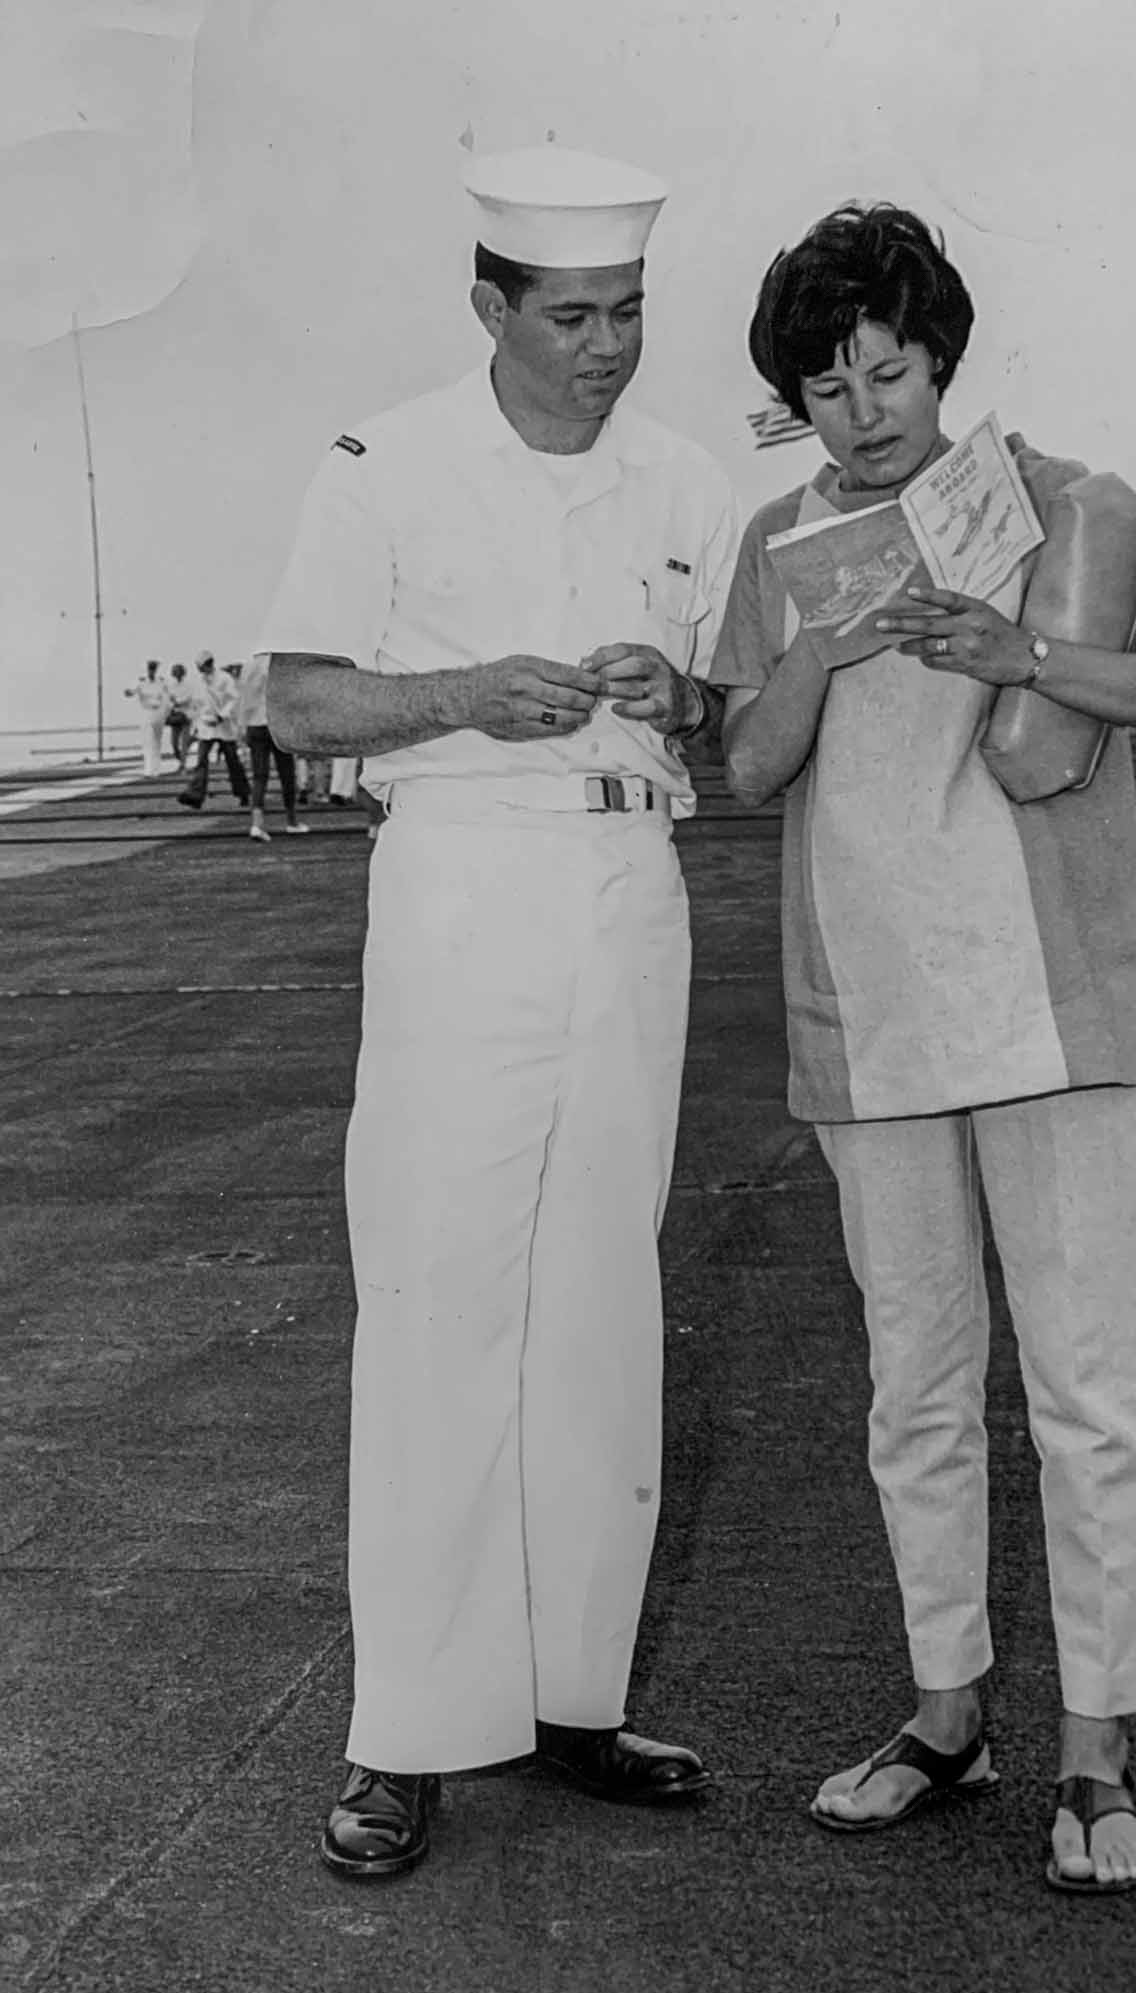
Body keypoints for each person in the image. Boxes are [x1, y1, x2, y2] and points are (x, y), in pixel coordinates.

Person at [714, 202, 1136, 1895]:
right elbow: (748, 766)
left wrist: (1026, 652)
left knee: (1091, 1387)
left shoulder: (1057, 503)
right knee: (915, 1389)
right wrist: (819, 647)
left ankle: (1097, 1744)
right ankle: (949, 1711)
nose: (865, 407)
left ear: (941, 359)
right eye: (829, 380)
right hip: (872, 1024)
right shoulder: (776, 535)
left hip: (1058, 1011)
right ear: (798, 394)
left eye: (889, 368)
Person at [258, 142, 739, 1879]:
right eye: (572, 316)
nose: (606, 347)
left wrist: (669, 688)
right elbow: (299, 697)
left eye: (627, 314)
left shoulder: (687, 478)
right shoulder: (385, 459)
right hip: (462, 883)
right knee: (442, 1295)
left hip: (631, 892)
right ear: (490, 305)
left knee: (604, 1292)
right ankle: (405, 1733)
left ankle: (570, 1694)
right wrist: (470, 690)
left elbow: (733, 703)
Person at [237, 652, 309, 840]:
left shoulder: (248, 666)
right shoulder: (281, 666)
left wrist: (242, 727)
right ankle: (291, 821)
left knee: (259, 775)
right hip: (278, 724)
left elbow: (242, 699)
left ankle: (257, 824)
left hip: (254, 725)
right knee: (287, 773)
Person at [177, 650, 251, 810]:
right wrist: (196, 724)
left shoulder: (224, 679)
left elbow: (234, 699)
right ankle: (196, 796)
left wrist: (222, 715)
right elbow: (197, 704)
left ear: (209, 664)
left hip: (224, 726)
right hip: (206, 726)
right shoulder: (200, 682)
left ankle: (243, 793)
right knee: (201, 761)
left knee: (233, 762)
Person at [125, 659, 171, 774]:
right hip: (146, 712)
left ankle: (156, 769)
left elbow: (167, 695)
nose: (152, 671)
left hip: (158, 712)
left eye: (153, 669)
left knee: (157, 741)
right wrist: (128, 692)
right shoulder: (141, 681)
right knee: (148, 741)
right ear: (147, 669)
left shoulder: (161, 682)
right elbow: (132, 691)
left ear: (156, 670)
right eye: (150, 668)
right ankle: (149, 769)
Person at [164, 664, 195, 765]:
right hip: (176, 716)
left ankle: (183, 765)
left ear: (182, 673)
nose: (177, 673)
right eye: (175, 672)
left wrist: (178, 702)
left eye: (178, 671)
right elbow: (168, 699)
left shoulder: (188, 684)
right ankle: (180, 757)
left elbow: (188, 698)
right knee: (173, 743)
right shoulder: (171, 685)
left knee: (184, 742)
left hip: (186, 715)